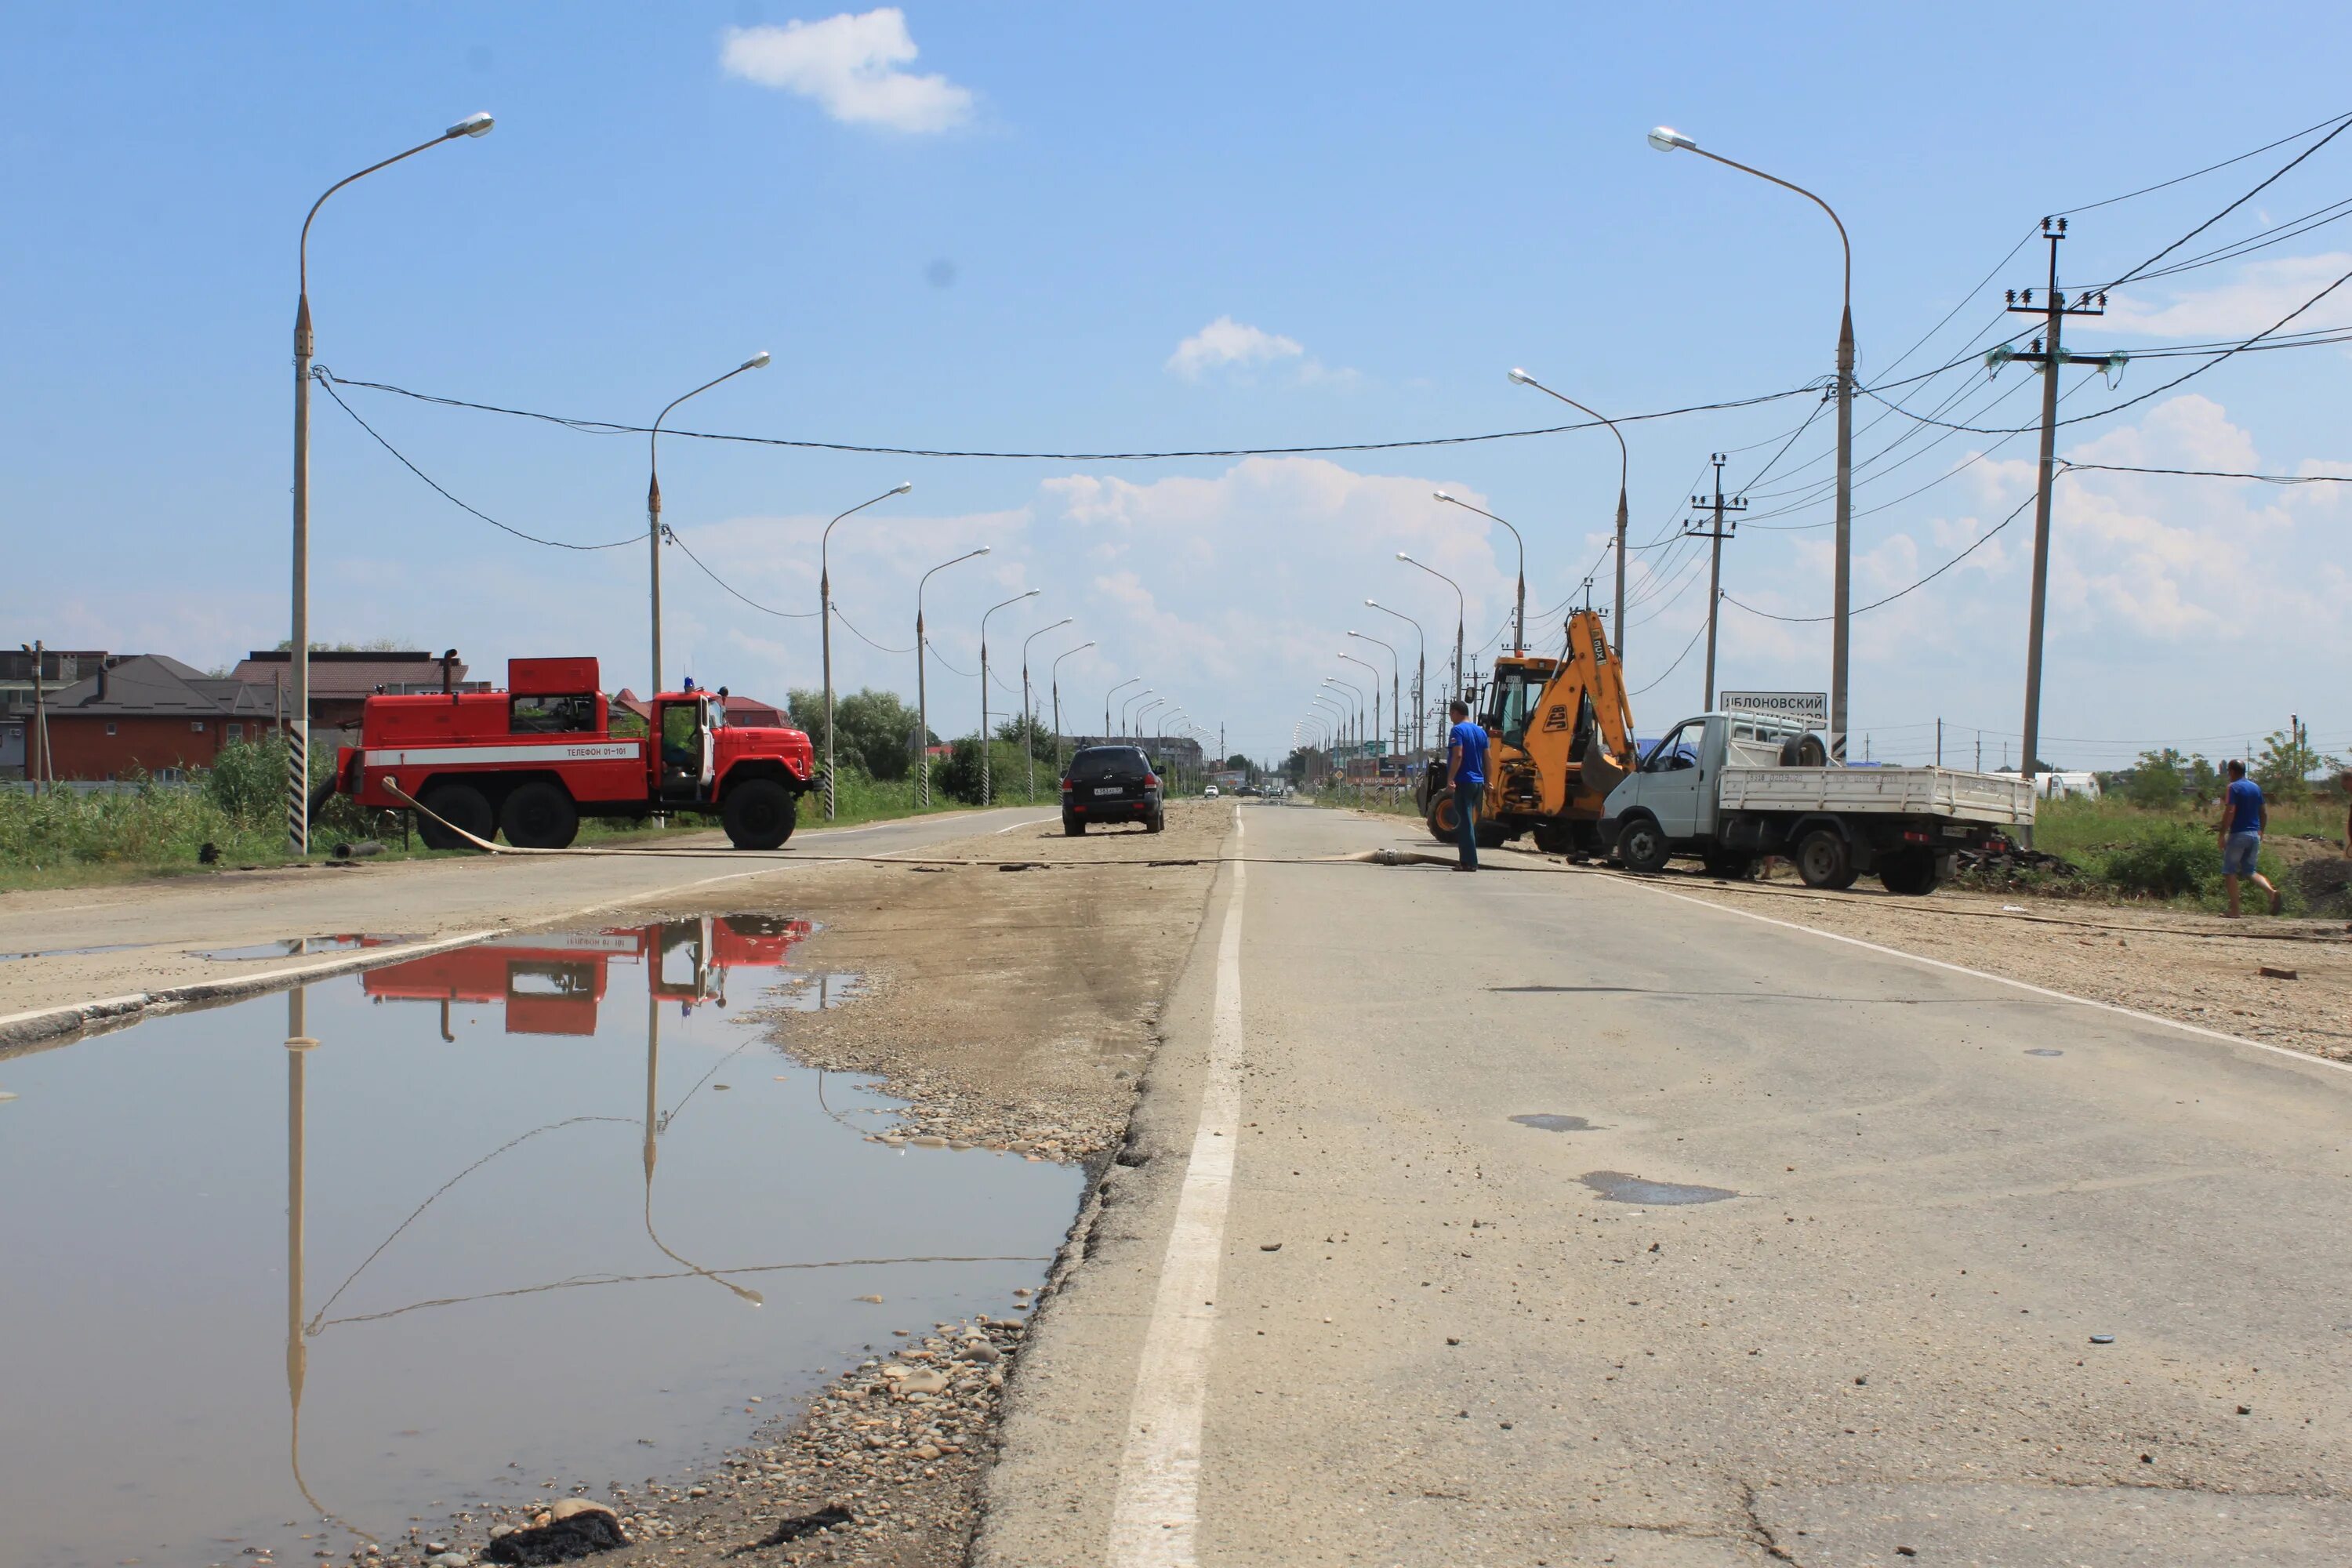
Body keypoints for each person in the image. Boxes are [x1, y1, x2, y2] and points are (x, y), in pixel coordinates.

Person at [2217, 757, 2281, 916]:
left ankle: (2235, 911)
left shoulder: (2233, 787)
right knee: (2250, 871)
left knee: (2229, 871)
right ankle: (2271, 892)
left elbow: (2230, 811)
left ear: (2231, 772)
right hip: (2254, 834)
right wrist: (2261, 832)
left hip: (2238, 834)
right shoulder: (2256, 787)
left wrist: (2222, 833)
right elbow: (2264, 813)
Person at [1446, 699, 1488, 873]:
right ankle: (1467, 860)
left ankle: (1469, 862)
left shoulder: (1457, 730)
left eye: (1450, 714)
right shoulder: (1480, 732)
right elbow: (1488, 758)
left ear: (1456, 712)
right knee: (1468, 820)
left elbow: (1458, 755)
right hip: (1478, 782)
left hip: (1464, 780)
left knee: (1465, 822)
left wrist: (1450, 778)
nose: (1450, 717)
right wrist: (1489, 780)